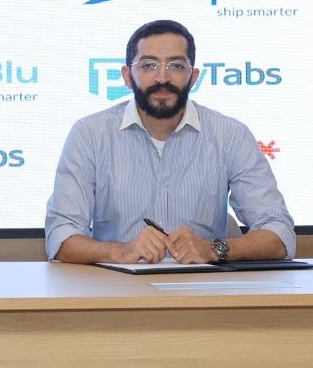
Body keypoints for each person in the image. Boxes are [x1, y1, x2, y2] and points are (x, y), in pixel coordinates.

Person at [45, 19, 295, 265]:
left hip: (205, 288)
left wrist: (213, 249)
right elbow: (61, 236)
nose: (162, 78)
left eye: (176, 65)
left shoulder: (230, 135)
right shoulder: (90, 134)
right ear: (127, 76)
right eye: (149, 65)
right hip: (115, 286)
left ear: (193, 77)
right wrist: (120, 252)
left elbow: (280, 233)